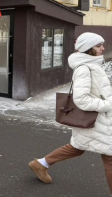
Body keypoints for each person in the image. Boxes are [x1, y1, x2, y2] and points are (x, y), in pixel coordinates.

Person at [28, 32, 112, 194]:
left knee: (78, 147)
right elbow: (81, 99)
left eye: (102, 44)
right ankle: (41, 164)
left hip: (99, 119)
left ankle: (41, 164)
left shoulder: (93, 65)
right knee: (109, 158)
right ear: (88, 49)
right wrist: (107, 104)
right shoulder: (84, 68)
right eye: (98, 46)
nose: (103, 48)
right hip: (98, 119)